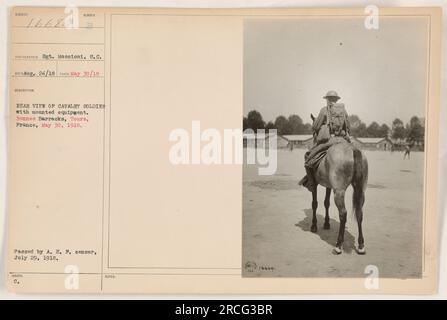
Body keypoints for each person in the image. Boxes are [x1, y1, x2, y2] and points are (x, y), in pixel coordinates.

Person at [299, 90, 351, 191]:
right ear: (336, 99)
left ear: (327, 100)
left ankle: (311, 184)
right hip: (343, 140)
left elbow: (316, 126)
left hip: (329, 141)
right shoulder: (344, 111)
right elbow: (349, 127)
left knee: (308, 159)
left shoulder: (324, 110)